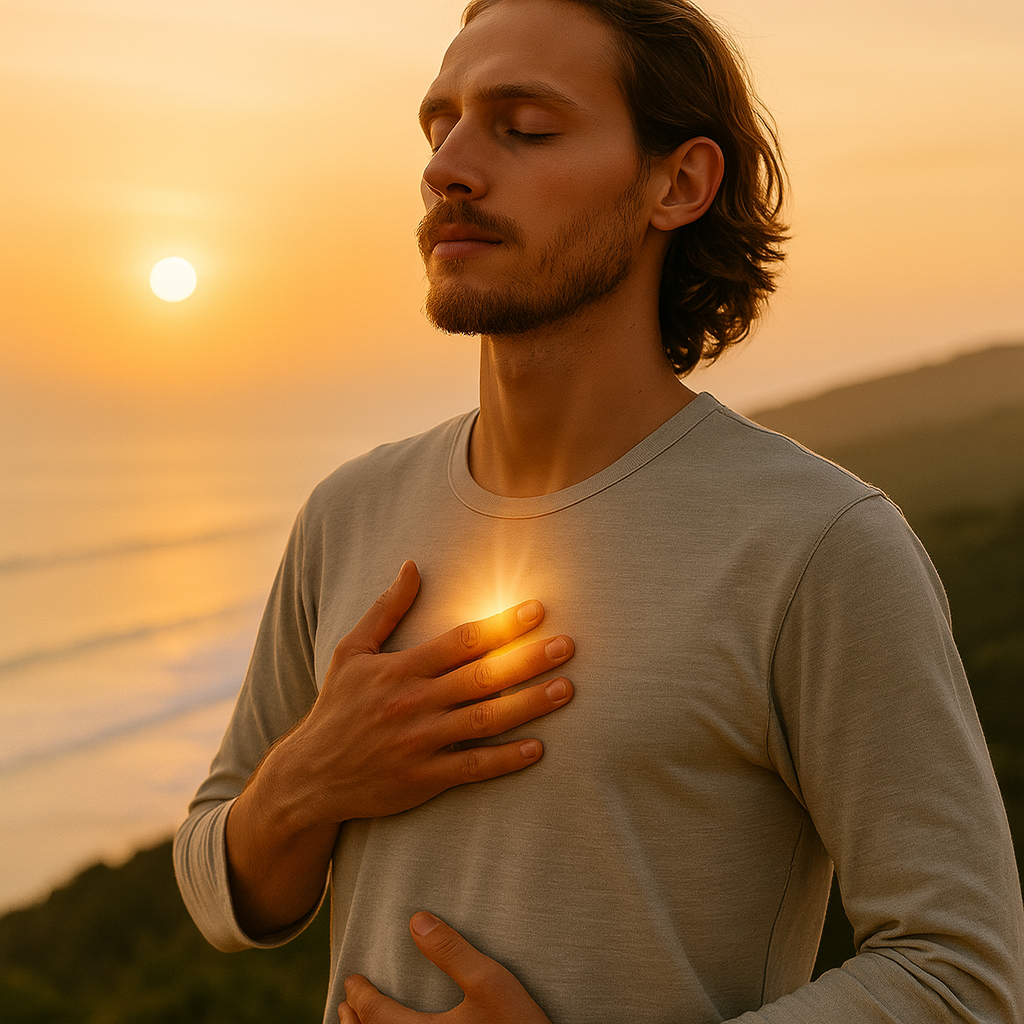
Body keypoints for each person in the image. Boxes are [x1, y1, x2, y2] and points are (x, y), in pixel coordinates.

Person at [174, 0, 1024, 1021]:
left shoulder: (817, 544)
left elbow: (959, 972)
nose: (449, 166)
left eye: (523, 127)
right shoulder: (348, 511)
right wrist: (306, 780)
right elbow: (223, 891)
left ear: (678, 182)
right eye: (437, 124)